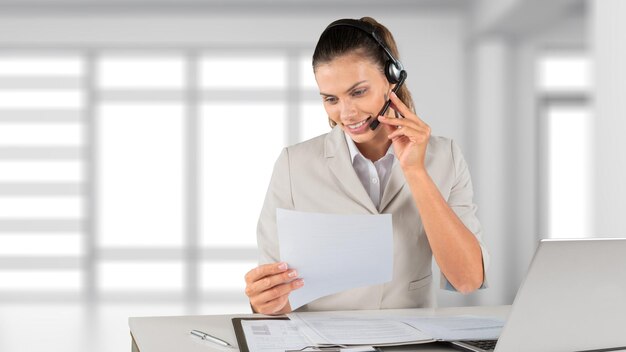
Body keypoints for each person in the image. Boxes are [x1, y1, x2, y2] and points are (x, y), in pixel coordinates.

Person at [244, 17, 489, 315]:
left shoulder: (445, 156)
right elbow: (271, 294)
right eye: (331, 99)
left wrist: (416, 172)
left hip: (411, 340)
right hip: (325, 341)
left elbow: (467, 280)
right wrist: (266, 301)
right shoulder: (294, 165)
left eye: (358, 92)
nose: (346, 113)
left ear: (392, 79)